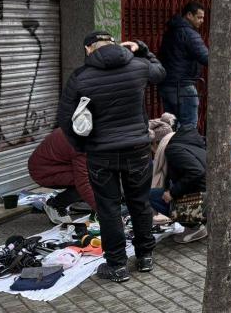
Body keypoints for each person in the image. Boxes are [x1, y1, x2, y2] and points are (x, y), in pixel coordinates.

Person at [58, 31, 165, 283]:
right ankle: (145, 256)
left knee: (108, 208)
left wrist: (83, 146)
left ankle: (117, 265)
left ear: (88, 49)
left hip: (101, 153)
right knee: (140, 203)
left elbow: (65, 118)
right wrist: (143, 48)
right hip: (137, 149)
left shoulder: (80, 76)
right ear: (115, 44)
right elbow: (160, 73)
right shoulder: (138, 65)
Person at [153, 121, 208, 243]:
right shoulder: (191, 145)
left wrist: (172, 192)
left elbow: (196, 172)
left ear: (158, 143)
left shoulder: (173, 149)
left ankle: (194, 227)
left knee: (152, 195)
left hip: (207, 200)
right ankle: (202, 221)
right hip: (219, 197)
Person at [28, 128, 96, 225]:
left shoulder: (83, 127)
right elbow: (83, 183)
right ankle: (55, 205)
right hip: (44, 171)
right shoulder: (82, 143)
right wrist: (104, 210)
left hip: (58, 164)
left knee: (99, 174)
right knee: (91, 180)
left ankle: (81, 201)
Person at [158, 2, 208, 131]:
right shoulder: (189, 34)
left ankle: (170, 144)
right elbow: (206, 57)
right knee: (188, 127)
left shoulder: (170, 31)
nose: (202, 21)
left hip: (166, 85)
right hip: (183, 85)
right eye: (199, 17)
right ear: (189, 15)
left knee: (170, 126)